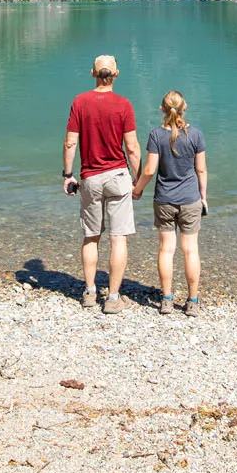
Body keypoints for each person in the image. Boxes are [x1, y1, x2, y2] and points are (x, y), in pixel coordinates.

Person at [63, 55, 141, 314]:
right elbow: (131, 148)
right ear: (116, 74)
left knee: (91, 236)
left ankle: (89, 292)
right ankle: (113, 297)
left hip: (91, 177)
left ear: (92, 73)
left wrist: (67, 174)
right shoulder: (124, 105)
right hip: (118, 177)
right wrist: (139, 180)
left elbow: (70, 143)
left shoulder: (80, 102)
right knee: (118, 238)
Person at [131, 90, 208, 316]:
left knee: (166, 250)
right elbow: (201, 169)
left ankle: (166, 300)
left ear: (162, 109)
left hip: (164, 199)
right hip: (190, 199)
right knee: (190, 251)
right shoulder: (195, 135)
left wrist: (137, 189)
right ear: (185, 108)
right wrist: (203, 197)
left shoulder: (156, 135)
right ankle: (192, 302)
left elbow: (150, 170)